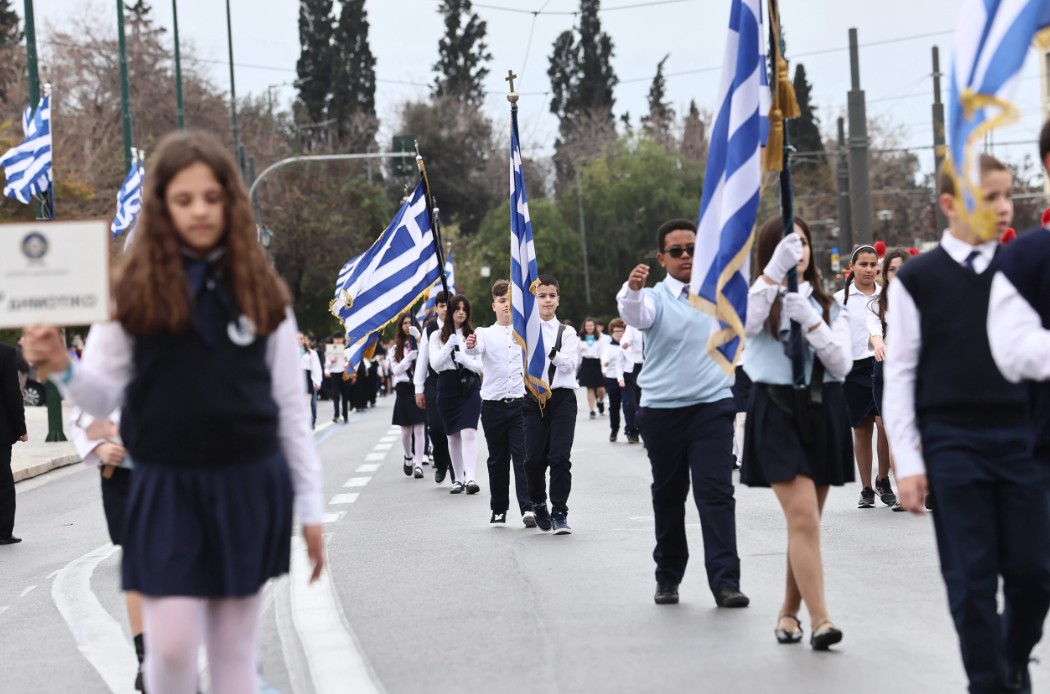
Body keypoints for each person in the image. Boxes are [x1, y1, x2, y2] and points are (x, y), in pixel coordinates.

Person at [22, 130, 325, 694]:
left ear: (230, 203)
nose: (200, 211)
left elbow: (289, 412)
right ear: (162, 207)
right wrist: (60, 365)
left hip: (245, 484)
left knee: (234, 657)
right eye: (184, 200)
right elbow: (102, 398)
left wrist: (310, 511)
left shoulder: (262, 295)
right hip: (164, 487)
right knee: (171, 653)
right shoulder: (131, 295)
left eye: (211, 198)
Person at [886, 154, 1050, 693]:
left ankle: (1010, 656)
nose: (1005, 208)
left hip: (1024, 438)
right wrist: (907, 463)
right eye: (992, 197)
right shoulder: (916, 278)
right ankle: (989, 682)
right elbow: (902, 373)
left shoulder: (1023, 266)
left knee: (1033, 572)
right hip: (952, 441)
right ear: (950, 205)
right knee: (971, 579)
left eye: (1009, 196)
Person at [617, 219, 748, 608]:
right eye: (677, 251)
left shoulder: (718, 293)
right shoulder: (654, 297)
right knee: (669, 497)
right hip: (663, 412)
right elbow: (635, 314)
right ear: (662, 258)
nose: (686, 256)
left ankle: (726, 582)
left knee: (717, 495)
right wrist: (633, 289)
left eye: (692, 248)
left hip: (711, 408)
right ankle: (668, 576)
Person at [741, 216, 854, 650]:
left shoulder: (829, 305)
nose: (799, 251)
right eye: (790, 244)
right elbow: (746, 326)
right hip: (776, 408)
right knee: (803, 517)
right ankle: (822, 620)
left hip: (821, 409)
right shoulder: (758, 296)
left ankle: (789, 613)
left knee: (804, 524)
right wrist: (772, 273)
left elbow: (842, 364)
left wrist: (811, 321)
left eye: (804, 243)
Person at [69, 407, 147, 690]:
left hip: (176, 471)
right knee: (137, 558)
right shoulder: (104, 363)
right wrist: (98, 446)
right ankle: (147, 658)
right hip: (122, 474)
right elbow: (79, 414)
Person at [465, 279, 533, 525]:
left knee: (522, 456)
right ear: (494, 305)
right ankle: (499, 508)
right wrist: (470, 344)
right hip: (493, 404)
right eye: (502, 301)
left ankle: (528, 507)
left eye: (510, 301)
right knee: (497, 459)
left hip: (519, 404)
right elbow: (474, 349)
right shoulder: (484, 333)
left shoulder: (524, 332)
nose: (506, 306)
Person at [834, 245, 895, 509]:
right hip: (852, 368)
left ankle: (883, 479)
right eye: (864, 264)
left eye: (873, 265)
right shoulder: (840, 299)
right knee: (861, 429)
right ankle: (866, 488)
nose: (869, 270)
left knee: (884, 425)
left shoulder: (886, 296)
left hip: (881, 364)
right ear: (852, 266)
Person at [523, 275, 580, 535]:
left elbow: (569, 363)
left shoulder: (566, 332)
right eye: (541, 295)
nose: (547, 300)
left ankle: (559, 511)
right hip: (533, 399)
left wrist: (550, 350)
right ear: (534, 299)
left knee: (559, 457)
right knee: (533, 460)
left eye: (551, 295)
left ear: (558, 299)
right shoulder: (524, 333)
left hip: (561, 399)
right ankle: (537, 501)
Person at [866, 247, 911, 512]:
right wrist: (879, 344)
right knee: (894, 433)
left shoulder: (922, 297)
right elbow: (874, 331)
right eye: (892, 269)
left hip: (914, 371)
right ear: (886, 273)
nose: (898, 273)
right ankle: (906, 493)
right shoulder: (875, 303)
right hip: (886, 369)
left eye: (903, 268)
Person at [429, 294, 483, 494]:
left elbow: (480, 365)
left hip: (468, 385)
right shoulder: (437, 336)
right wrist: (449, 346)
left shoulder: (473, 335)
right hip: (447, 385)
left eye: (464, 309)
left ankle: (470, 478)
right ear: (450, 312)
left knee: (469, 432)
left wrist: (465, 359)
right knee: (452, 435)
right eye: (457, 309)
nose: (461, 312)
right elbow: (435, 365)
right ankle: (458, 478)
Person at [414, 292, 455, 485]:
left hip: (455, 381)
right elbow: (423, 358)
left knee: (455, 428)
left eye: (448, 304)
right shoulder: (430, 328)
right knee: (436, 426)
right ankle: (441, 462)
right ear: (436, 308)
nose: (445, 308)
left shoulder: (460, 326)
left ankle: (458, 472)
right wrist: (418, 388)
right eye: (441, 305)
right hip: (434, 381)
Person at [390, 313, 426, 479]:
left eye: (410, 323)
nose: (407, 326)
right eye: (404, 323)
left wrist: (418, 340)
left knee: (419, 428)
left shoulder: (419, 343)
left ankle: (419, 463)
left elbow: (427, 358)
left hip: (417, 386)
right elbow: (396, 370)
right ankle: (408, 456)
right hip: (404, 387)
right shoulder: (396, 348)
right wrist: (407, 360)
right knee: (406, 430)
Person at [0, 340, 27, 545]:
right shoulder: (6, 352)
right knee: (3, 482)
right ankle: (3, 532)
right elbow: (12, 393)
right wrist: (21, 429)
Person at [601, 318, 630, 442]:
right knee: (614, 407)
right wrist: (605, 364)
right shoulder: (608, 346)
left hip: (627, 379)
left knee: (629, 405)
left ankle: (631, 430)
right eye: (616, 331)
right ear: (611, 332)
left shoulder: (629, 345)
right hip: (612, 379)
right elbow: (604, 358)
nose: (619, 333)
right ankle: (614, 429)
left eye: (621, 331)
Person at [577, 318, 605, 419]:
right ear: (584, 327)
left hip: (597, 364)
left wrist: (604, 369)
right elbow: (578, 354)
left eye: (591, 325)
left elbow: (603, 353)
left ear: (594, 327)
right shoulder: (580, 339)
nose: (589, 327)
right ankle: (592, 410)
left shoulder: (600, 338)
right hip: (586, 364)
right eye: (587, 326)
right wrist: (578, 368)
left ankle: (601, 401)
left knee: (601, 388)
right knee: (590, 388)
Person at [620, 324, 644, 442]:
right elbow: (625, 339)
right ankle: (632, 430)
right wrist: (625, 343)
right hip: (635, 367)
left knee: (645, 402)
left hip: (651, 364)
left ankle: (646, 431)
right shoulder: (633, 326)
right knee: (632, 403)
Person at [299, 332, 322, 429]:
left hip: (309, 379)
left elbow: (316, 368)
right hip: (298, 380)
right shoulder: (290, 352)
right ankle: (303, 423)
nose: (299, 341)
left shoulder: (311, 353)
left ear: (305, 340)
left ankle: (312, 420)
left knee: (312, 403)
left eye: (301, 339)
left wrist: (317, 381)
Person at [325, 332, 347, 423]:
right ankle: (336, 415)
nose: (338, 341)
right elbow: (327, 364)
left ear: (342, 339)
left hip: (344, 373)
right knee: (336, 395)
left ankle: (345, 415)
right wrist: (332, 361)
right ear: (333, 340)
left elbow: (349, 362)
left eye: (340, 339)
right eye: (336, 339)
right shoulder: (330, 349)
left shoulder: (346, 349)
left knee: (345, 395)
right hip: (334, 373)